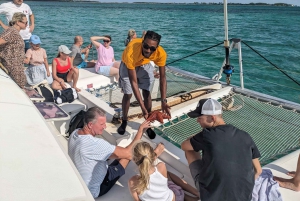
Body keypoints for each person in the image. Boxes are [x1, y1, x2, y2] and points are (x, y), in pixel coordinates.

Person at [181, 98, 262, 201]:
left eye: (199, 118)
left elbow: (184, 146)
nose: (197, 120)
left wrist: (201, 134)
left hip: (212, 196)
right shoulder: (245, 136)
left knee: (190, 149)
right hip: (243, 197)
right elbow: (258, 171)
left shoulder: (207, 135)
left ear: (212, 118)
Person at [68, 107, 152, 198]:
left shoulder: (75, 133)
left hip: (80, 182)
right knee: (125, 157)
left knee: (119, 152)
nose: (105, 126)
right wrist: (140, 130)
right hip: (95, 188)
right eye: (102, 124)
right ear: (90, 125)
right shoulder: (95, 144)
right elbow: (129, 153)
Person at [117, 30, 171, 139]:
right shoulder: (132, 49)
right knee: (128, 94)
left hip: (145, 65)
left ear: (157, 48)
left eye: (152, 48)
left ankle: (148, 123)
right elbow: (133, 82)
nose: (148, 50)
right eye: (146, 46)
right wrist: (142, 108)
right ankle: (124, 120)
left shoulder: (161, 53)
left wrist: (164, 101)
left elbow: (163, 77)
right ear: (142, 42)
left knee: (147, 92)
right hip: (128, 65)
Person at [128, 141, 200, 201]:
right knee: (168, 178)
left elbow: (137, 200)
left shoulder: (132, 181)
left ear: (134, 160)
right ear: (152, 156)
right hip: (174, 199)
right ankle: (195, 194)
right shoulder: (161, 167)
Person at [0, 12, 27, 88]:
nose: (27, 24)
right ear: (18, 22)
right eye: (25, 22)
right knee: (20, 87)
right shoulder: (11, 32)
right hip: (13, 66)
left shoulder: (14, 32)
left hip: (16, 66)